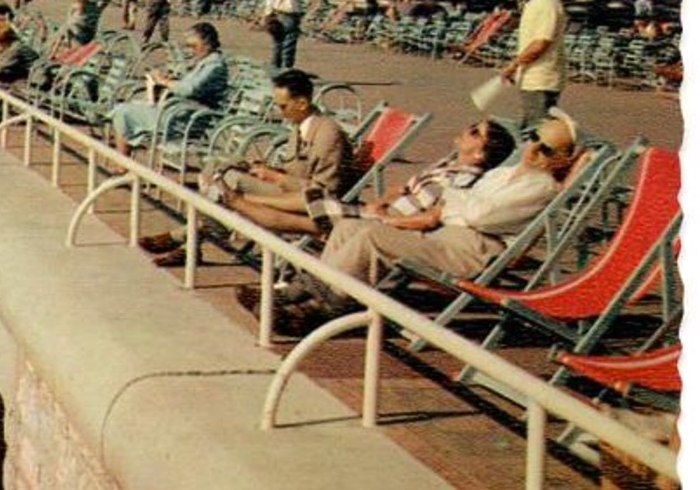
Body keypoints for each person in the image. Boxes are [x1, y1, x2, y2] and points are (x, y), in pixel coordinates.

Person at [244, 114, 577, 335]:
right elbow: (462, 208)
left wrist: (451, 202)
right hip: (446, 236)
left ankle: (320, 308)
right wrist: (454, 206)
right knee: (347, 228)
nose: (535, 149)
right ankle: (299, 296)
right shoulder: (503, 173)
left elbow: (478, 217)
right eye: (534, 138)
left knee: (371, 237)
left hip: (470, 251)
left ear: (559, 158)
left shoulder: (541, 187)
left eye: (547, 148)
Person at [227, 118, 516, 238]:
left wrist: (388, 220)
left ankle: (236, 201)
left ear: (480, 154)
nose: (468, 130)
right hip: (381, 212)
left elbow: (431, 219)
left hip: (393, 227)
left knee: (312, 213)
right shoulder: (447, 164)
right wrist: (380, 203)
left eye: (475, 132)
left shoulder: (465, 181)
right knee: (315, 200)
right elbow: (400, 189)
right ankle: (240, 200)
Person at [204, 68, 356, 203]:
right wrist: (268, 169)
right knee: (215, 165)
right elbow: (295, 169)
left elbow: (323, 192)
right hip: (289, 187)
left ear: (302, 104)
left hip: (304, 199)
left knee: (231, 179)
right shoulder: (301, 125)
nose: (279, 112)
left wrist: (275, 177)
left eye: (283, 106)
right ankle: (204, 225)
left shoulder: (327, 135)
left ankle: (208, 227)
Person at [108, 23, 229, 156]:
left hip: (188, 120)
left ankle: (123, 166)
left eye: (193, 46)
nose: (190, 51)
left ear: (207, 44)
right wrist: (168, 79)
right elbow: (187, 85)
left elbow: (189, 89)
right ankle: (125, 164)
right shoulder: (204, 61)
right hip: (179, 112)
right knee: (126, 109)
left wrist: (165, 81)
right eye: (187, 46)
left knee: (124, 112)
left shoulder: (214, 65)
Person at [499, 0, 566, 128]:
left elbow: (541, 42)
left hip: (541, 78)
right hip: (532, 77)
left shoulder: (547, 3)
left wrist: (513, 65)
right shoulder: (536, 1)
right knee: (531, 126)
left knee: (538, 130)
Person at [262, 0, 305, 69]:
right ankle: (287, 66)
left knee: (277, 43)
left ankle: (275, 65)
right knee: (289, 43)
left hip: (275, 15)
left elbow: (269, 3)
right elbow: (299, 5)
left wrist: (267, 16)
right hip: (290, 16)